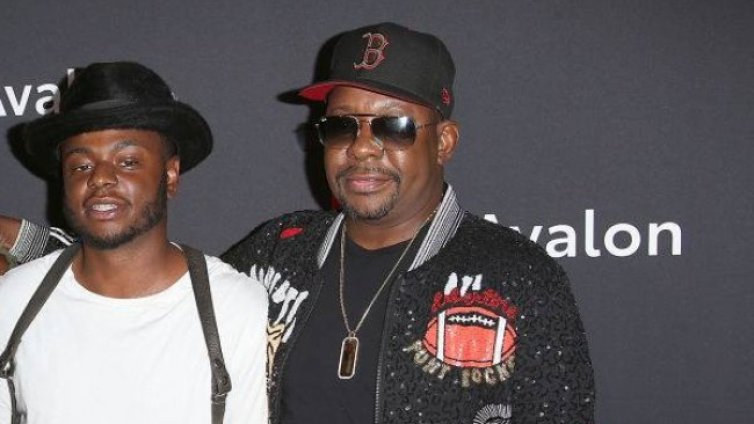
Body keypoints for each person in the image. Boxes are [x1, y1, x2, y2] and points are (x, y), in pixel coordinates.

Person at [2, 23, 595, 423]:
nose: (362, 148)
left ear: (443, 141)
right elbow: (157, 283)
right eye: (340, 126)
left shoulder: (519, 277)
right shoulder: (281, 251)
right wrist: (28, 243)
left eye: (391, 126)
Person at [0, 62, 268, 424]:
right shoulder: (13, 301)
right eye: (80, 166)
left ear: (170, 175)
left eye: (127, 161)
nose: (100, 178)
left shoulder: (234, 309)